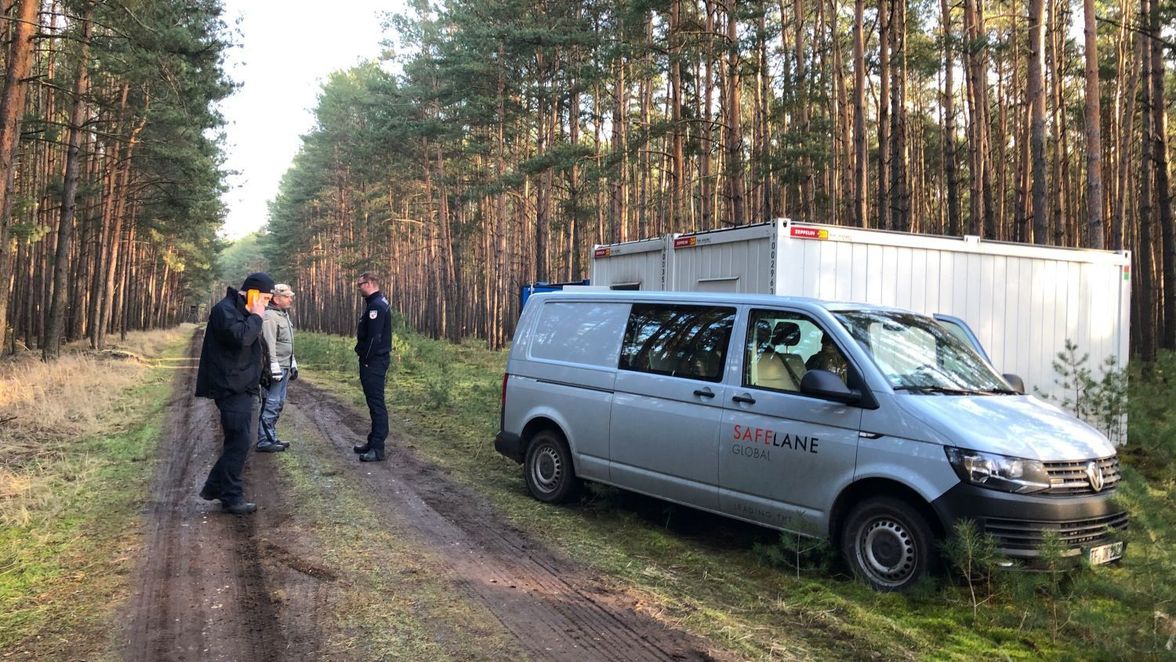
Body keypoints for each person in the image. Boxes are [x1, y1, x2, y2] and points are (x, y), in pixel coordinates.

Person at [195, 272, 273, 515]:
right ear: (251, 293)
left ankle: (215, 487)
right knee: (239, 442)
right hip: (230, 387)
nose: (267, 304)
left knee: (237, 441)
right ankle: (231, 496)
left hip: (243, 386)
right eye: (266, 298)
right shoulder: (225, 310)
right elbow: (242, 338)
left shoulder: (241, 312)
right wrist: (258, 316)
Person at [353, 271, 392, 462]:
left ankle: (377, 448)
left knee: (377, 404)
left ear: (369, 283)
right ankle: (373, 441)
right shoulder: (377, 303)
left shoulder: (376, 306)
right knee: (373, 403)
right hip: (375, 361)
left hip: (374, 362)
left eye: (360, 284)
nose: (358, 288)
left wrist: (367, 359)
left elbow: (374, 339)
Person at [257, 283, 298, 453]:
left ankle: (271, 436)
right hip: (275, 368)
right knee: (271, 403)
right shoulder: (270, 316)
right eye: (287, 296)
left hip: (285, 366)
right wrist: (273, 365)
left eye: (290, 296)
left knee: (278, 403)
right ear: (276, 298)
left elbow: (287, 343)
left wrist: (293, 361)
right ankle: (264, 440)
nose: (290, 299)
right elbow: (269, 344)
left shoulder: (282, 315)